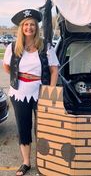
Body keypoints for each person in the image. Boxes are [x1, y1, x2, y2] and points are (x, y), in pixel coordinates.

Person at [3, 9, 59, 176]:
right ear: (21, 27)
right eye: (26, 24)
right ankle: (26, 162)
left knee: (43, 129)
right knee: (24, 127)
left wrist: (51, 91)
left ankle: (44, 162)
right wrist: (20, 76)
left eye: (32, 25)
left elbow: (54, 71)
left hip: (41, 92)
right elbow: (7, 67)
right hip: (19, 92)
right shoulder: (13, 47)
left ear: (36, 27)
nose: (29, 27)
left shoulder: (46, 46)